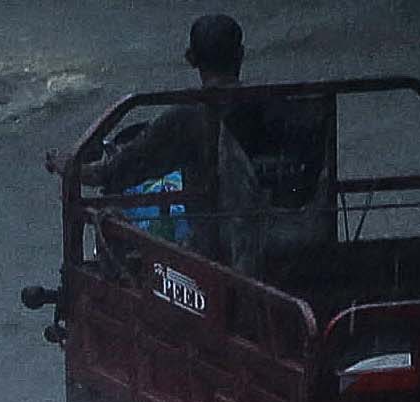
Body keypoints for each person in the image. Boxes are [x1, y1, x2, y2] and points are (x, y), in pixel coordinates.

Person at [71, 14, 270, 268]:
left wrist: (66, 166)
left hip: (218, 254)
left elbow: (111, 174)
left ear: (191, 59)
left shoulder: (189, 119)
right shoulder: (271, 105)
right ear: (241, 54)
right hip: (290, 243)